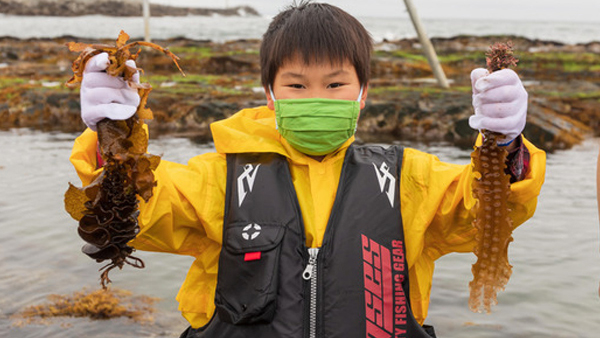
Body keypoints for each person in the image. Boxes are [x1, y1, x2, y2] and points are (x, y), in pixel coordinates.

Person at [70, 2, 546, 337]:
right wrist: (113, 136)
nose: (317, 98)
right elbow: (139, 209)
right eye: (297, 85)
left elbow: (479, 212)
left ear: (362, 93)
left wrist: (503, 146)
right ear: (270, 94)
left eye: (336, 83)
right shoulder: (221, 177)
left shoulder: (409, 179)